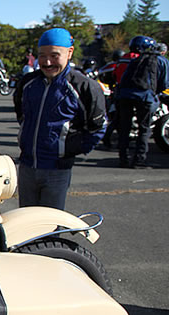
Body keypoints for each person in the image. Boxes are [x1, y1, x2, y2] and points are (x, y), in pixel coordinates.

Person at [13, 28, 106, 210]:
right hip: (26, 167)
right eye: (42, 56)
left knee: (49, 227)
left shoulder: (84, 87)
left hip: (57, 171)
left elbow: (98, 126)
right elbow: (21, 113)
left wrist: (69, 150)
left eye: (55, 55)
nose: (47, 62)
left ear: (69, 52)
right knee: (25, 224)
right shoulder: (28, 83)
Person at [116, 36, 169, 168]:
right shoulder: (161, 60)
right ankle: (139, 160)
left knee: (124, 128)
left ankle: (123, 159)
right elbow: (164, 83)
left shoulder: (134, 60)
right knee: (144, 129)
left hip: (124, 95)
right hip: (144, 97)